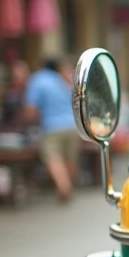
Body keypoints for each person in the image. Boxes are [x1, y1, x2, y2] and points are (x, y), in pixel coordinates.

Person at [22, 57, 79, 203]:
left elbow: (31, 109)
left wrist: (28, 120)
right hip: (73, 125)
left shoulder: (38, 80)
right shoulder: (66, 78)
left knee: (53, 157)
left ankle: (64, 187)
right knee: (69, 158)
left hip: (52, 126)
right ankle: (68, 185)